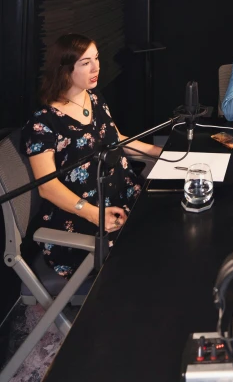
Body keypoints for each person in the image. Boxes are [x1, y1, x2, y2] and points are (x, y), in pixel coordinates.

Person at [22, 33, 162, 279]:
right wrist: (94, 215)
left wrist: (162, 153)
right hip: (83, 218)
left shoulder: (95, 99)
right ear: (65, 68)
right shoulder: (42, 122)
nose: (97, 67)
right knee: (149, 257)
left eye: (96, 59)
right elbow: (47, 187)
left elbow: (117, 140)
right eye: (86, 62)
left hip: (125, 196)